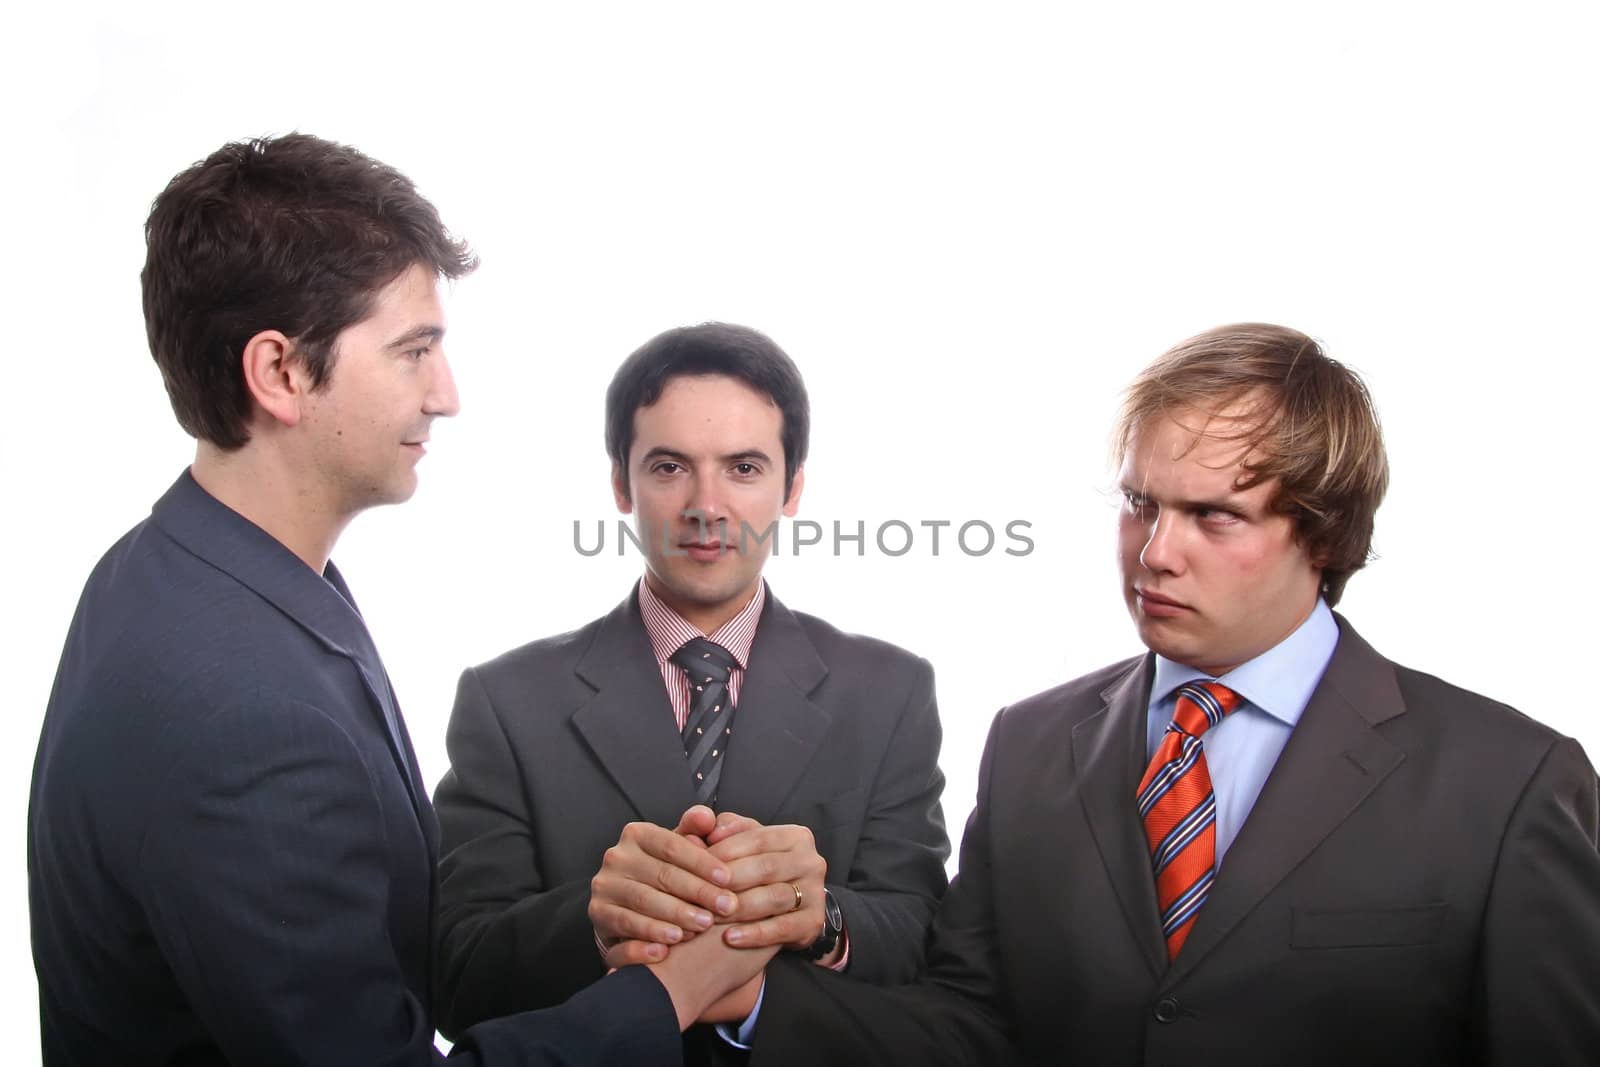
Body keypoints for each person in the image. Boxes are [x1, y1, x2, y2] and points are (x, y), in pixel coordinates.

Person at [27, 133, 771, 1067]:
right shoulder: (245, 711)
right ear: (281, 372)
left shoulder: (178, 568)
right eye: (413, 350)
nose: (446, 394)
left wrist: (600, 915)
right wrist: (671, 991)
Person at [742, 323, 1600, 1065]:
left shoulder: (1510, 785)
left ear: (1325, 533)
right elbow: (968, 1028)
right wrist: (743, 999)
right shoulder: (1031, 743)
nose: (1154, 552)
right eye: (1138, 504)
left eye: (1213, 515)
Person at [430, 322, 950, 1060]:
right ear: (621, 482)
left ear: (792, 486)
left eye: (743, 468)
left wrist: (823, 917)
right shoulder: (506, 701)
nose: (707, 506)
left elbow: (927, 942)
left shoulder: (891, 691)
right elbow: (455, 975)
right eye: (670, 467)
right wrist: (595, 918)